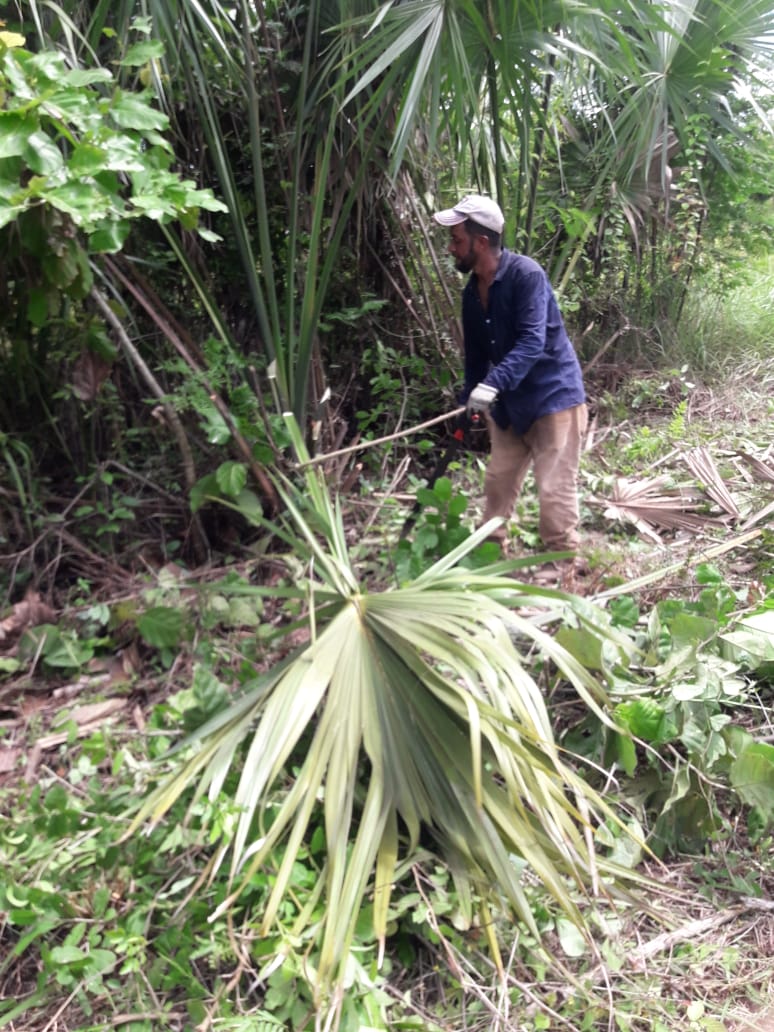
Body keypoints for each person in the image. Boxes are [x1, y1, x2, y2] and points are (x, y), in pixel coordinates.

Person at [432, 194, 588, 580]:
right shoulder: (472, 292)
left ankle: (564, 569)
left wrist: (492, 383)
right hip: (507, 404)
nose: (451, 247)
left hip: (552, 398)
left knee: (553, 490)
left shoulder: (526, 275)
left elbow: (532, 342)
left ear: (480, 242)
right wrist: (468, 397)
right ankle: (491, 557)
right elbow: (476, 356)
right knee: (498, 481)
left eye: (456, 240)